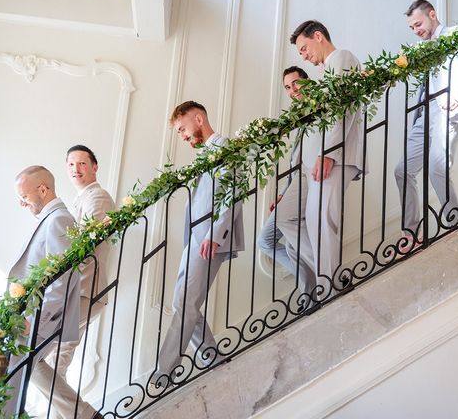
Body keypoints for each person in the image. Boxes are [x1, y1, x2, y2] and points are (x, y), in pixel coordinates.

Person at [152, 101, 244, 387]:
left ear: (199, 118)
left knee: (186, 301)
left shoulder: (225, 146)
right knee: (181, 300)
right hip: (195, 238)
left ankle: (163, 372)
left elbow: (234, 191)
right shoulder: (206, 154)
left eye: (182, 129)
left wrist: (215, 234)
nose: (182, 136)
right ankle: (212, 357)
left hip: (208, 238)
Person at [4, 166, 101, 419]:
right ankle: (85, 415)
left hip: (37, 318)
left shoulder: (59, 219)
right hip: (30, 316)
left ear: (43, 189)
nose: (21, 204)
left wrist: (35, 321)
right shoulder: (50, 219)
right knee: (32, 370)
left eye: (24, 197)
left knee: (14, 373)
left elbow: (62, 279)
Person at [279, 20, 364, 298]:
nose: (303, 55)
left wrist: (328, 153)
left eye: (304, 48)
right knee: (316, 220)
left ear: (318, 36)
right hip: (330, 155)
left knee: (322, 220)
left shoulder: (342, 58)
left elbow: (340, 110)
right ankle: (332, 282)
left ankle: (330, 287)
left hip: (335, 156)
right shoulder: (330, 68)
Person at [394, 0, 458, 246]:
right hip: (425, 113)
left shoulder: (453, 34)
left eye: (418, 24)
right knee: (402, 169)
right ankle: (411, 232)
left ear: (432, 14)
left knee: (436, 167)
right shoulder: (421, 48)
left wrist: (455, 95)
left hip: (447, 107)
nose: (416, 30)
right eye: (411, 28)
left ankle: (453, 223)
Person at [256, 66, 315, 297]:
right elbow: (295, 160)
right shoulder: (300, 114)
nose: (292, 91)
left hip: (310, 178)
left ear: (307, 81)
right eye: (288, 88)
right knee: (269, 242)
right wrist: (284, 192)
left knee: (279, 235)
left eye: (295, 84)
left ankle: (326, 270)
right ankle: (310, 290)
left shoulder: (320, 104)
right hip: (296, 183)